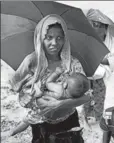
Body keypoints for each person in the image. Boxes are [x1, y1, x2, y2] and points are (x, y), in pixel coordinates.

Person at [7, 14, 91, 143]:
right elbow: (17, 84)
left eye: (59, 38)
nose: (54, 43)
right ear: (40, 38)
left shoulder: (72, 63)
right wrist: (24, 96)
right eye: (49, 38)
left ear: (65, 39)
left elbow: (87, 96)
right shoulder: (32, 61)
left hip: (68, 121)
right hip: (41, 123)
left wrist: (60, 104)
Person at [87, 9, 114, 143]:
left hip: (110, 86)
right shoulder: (88, 43)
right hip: (95, 82)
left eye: (97, 25)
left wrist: (105, 61)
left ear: (106, 28)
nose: (93, 28)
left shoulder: (112, 43)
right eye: (91, 24)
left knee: (109, 116)